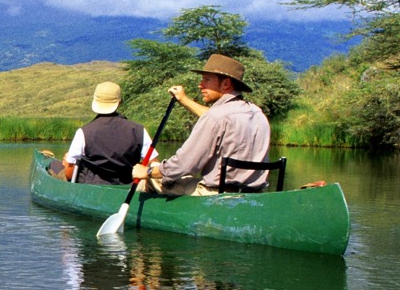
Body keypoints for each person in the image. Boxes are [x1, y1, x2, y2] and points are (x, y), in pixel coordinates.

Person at [132, 53, 270, 196]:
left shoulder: (215, 117)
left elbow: (184, 164)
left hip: (216, 195)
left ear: (226, 84)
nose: (200, 85)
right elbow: (217, 117)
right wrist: (184, 99)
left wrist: (148, 171)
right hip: (255, 193)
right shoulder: (257, 113)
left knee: (149, 176)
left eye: (207, 80)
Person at [43, 81, 152, 184]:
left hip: (92, 185)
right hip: (128, 185)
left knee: (53, 165)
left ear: (95, 102)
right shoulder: (139, 130)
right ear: (119, 103)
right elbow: (152, 163)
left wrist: (67, 163)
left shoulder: (84, 132)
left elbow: (69, 174)